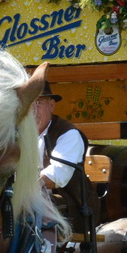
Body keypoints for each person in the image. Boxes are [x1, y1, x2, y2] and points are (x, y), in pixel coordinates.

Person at [33, 82, 88, 218]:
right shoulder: (19, 134)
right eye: (28, 104)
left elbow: (56, 176)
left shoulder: (68, 134)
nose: (32, 110)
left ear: (51, 106)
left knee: (31, 203)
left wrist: (23, 188)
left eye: (38, 103)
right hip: (36, 199)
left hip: (72, 208)